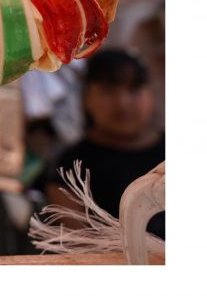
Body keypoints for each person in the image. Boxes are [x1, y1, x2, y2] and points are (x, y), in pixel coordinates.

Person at [45, 48, 165, 239]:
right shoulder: (71, 168)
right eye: (108, 90)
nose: (123, 103)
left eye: (134, 90)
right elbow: (80, 246)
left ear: (151, 95)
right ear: (86, 97)